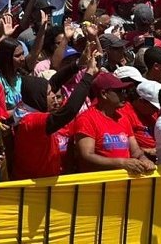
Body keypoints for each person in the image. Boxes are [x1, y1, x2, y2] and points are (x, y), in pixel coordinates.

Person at [12, 48, 99, 179]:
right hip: (37, 189)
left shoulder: (28, 105)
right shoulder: (30, 121)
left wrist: (78, 64)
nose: (54, 96)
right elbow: (69, 111)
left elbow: (54, 82)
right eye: (49, 93)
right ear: (39, 98)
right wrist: (89, 75)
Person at [73, 72, 156, 174]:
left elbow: (135, 151)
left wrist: (144, 159)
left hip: (123, 182)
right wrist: (121, 163)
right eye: (119, 91)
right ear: (104, 94)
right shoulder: (86, 119)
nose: (124, 95)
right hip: (98, 185)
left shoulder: (122, 118)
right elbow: (87, 156)